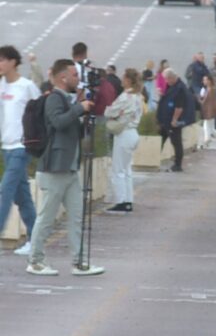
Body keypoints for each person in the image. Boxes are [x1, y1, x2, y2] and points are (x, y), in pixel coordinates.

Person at [26, 59, 104, 276]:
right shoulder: (54, 98)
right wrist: (80, 108)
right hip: (54, 169)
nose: (78, 80)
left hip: (69, 169)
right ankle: (35, 260)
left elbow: (71, 128)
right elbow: (58, 122)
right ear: (63, 77)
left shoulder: (67, 100)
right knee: (47, 217)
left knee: (77, 216)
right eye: (75, 75)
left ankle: (79, 262)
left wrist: (83, 115)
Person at [0, 46, 40, 256]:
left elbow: (41, 110)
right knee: (22, 196)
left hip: (21, 147)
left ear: (13, 62)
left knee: (4, 190)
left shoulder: (27, 86)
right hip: (6, 147)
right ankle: (35, 239)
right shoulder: (2, 86)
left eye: (2, 60)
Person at [104, 69, 144, 214]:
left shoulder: (125, 96)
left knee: (118, 169)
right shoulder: (138, 96)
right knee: (127, 170)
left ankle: (120, 202)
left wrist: (110, 112)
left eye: (123, 76)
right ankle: (128, 201)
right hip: (133, 133)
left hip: (124, 133)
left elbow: (109, 112)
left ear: (128, 79)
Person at [156, 68, 188, 172]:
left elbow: (179, 107)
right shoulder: (172, 86)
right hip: (165, 121)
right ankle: (155, 160)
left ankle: (178, 165)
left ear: (171, 77)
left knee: (176, 142)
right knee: (160, 140)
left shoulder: (179, 88)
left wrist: (174, 120)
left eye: (166, 79)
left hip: (172, 122)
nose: (166, 81)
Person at [199, 75, 216, 148]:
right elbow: (201, 98)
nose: (204, 81)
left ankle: (207, 140)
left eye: (205, 80)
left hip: (212, 109)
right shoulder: (203, 89)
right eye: (203, 80)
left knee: (206, 125)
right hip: (206, 109)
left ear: (210, 80)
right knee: (210, 127)